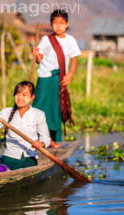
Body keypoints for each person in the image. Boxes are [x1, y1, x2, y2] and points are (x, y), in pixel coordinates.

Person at [31, 10, 81, 148]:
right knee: (39, 107)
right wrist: (36, 54)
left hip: (59, 79)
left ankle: (51, 139)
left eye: (61, 23)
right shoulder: (46, 39)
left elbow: (74, 60)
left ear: (67, 24)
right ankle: (36, 137)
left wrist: (70, 75)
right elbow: (39, 60)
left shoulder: (70, 40)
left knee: (55, 109)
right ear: (51, 24)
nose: (58, 26)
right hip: (45, 78)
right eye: (55, 23)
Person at [0, 81, 50, 170]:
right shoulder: (6, 113)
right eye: (17, 94)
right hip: (9, 159)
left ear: (32, 97)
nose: (20, 97)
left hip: (29, 159)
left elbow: (46, 138)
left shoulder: (39, 114)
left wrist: (42, 144)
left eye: (24, 95)